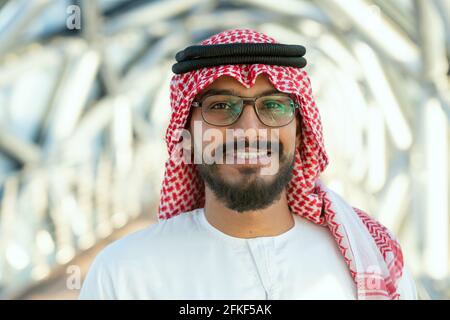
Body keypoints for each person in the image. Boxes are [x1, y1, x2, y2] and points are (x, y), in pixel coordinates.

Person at [79, 28, 417, 300]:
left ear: (300, 132)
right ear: (187, 133)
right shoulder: (124, 274)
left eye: (274, 106)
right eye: (222, 107)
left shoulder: (372, 260)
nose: (249, 130)